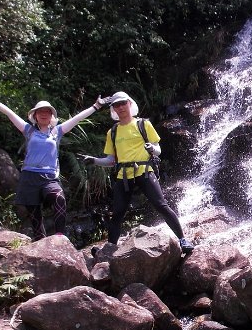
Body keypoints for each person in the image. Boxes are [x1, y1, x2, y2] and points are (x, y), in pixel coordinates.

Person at [0, 85, 108, 239]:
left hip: (49, 176)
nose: (43, 114)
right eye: (40, 112)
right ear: (35, 116)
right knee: (35, 215)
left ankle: (60, 236)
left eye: (47, 112)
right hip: (29, 176)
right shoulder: (28, 130)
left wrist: (96, 106)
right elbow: (10, 113)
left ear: (51, 116)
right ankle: (41, 245)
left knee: (59, 198)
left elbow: (77, 119)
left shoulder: (57, 132)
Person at [81, 91, 194, 253]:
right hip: (124, 176)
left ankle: (183, 240)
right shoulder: (112, 132)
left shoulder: (143, 124)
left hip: (144, 171)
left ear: (129, 104)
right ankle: (109, 250)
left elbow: (158, 150)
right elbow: (111, 160)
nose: (120, 108)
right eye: (116, 105)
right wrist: (94, 160)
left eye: (122, 104)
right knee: (118, 213)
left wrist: (152, 149)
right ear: (113, 109)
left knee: (161, 205)